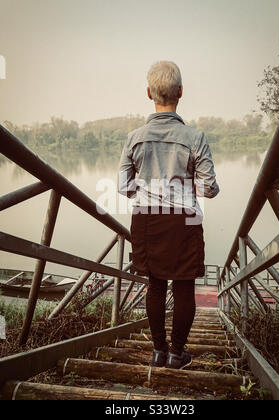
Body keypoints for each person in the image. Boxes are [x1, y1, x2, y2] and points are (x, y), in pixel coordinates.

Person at [118, 61, 219, 369]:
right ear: (180, 92)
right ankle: (177, 353)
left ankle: (158, 351)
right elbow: (210, 189)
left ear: (149, 93)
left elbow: (124, 186)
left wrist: (148, 192)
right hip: (184, 219)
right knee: (185, 285)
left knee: (156, 284)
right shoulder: (195, 137)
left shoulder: (134, 137)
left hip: (147, 218)